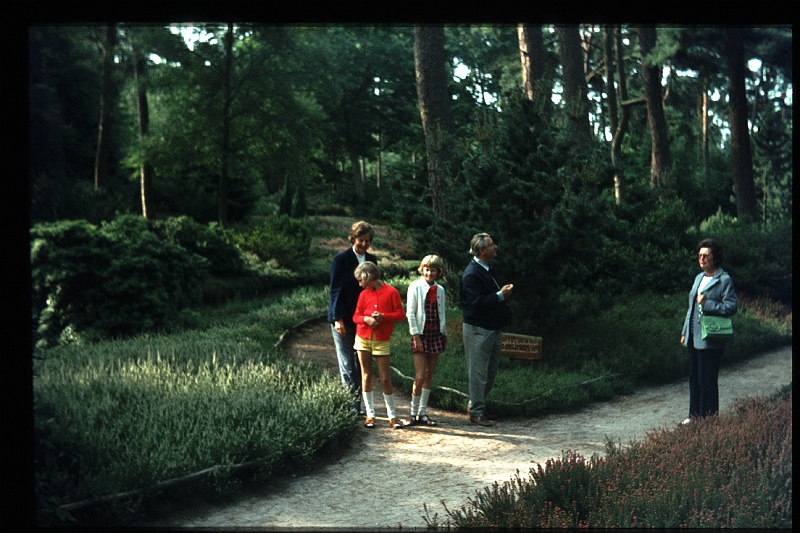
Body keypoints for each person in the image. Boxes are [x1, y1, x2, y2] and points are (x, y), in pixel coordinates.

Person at [680, 238, 737, 424]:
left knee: (708, 381)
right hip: (694, 336)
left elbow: (731, 307)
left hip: (711, 337)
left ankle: (709, 419)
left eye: (706, 255)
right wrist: (685, 332)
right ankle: (694, 416)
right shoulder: (699, 277)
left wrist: (708, 304)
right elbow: (691, 308)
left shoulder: (724, 280)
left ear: (715, 258)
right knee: (694, 379)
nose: (702, 259)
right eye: (699, 255)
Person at [460, 233, 513, 427]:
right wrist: (501, 295)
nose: (495, 247)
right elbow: (475, 304)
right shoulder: (471, 274)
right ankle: (476, 412)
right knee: (478, 373)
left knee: (490, 371)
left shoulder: (489, 268)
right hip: (478, 329)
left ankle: (478, 405)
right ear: (482, 250)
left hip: (493, 327)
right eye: (492, 245)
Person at [328, 221, 377, 416]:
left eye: (367, 241)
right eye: (361, 240)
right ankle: (351, 409)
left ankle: (363, 407)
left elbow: (375, 288)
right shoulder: (341, 259)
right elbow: (335, 290)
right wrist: (337, 318)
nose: (364, 244)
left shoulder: (371, 259)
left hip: (364, 320)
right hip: (345, 319)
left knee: (361, 364)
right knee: (347, 365)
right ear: (353, 239)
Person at [352, 261, 406, 429]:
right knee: (366, 376)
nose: (360, 284)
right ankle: (370, 414)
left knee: (384, 377)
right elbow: (356, 316)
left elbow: (400, 315)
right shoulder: (363, 295)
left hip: (382, 340)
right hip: (362, 338)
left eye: (361, 280)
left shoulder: (392, 292)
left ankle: (392, 415)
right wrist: (365, 319)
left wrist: (384, 317)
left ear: (369, 277)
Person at [405, 255, 447, 426]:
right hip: (421, 335)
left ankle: (423, 413)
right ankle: (412, 413)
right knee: (420, 375)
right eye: (427, 269)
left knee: (429, 374)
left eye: (433, 270)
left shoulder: (440, 290)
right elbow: (411, 313)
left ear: (438, 272)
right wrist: (416, 337)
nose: (429, 273)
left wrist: (444, 333)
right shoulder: (415, 287)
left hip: (436, 335)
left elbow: (441, 312)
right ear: (422, 270)